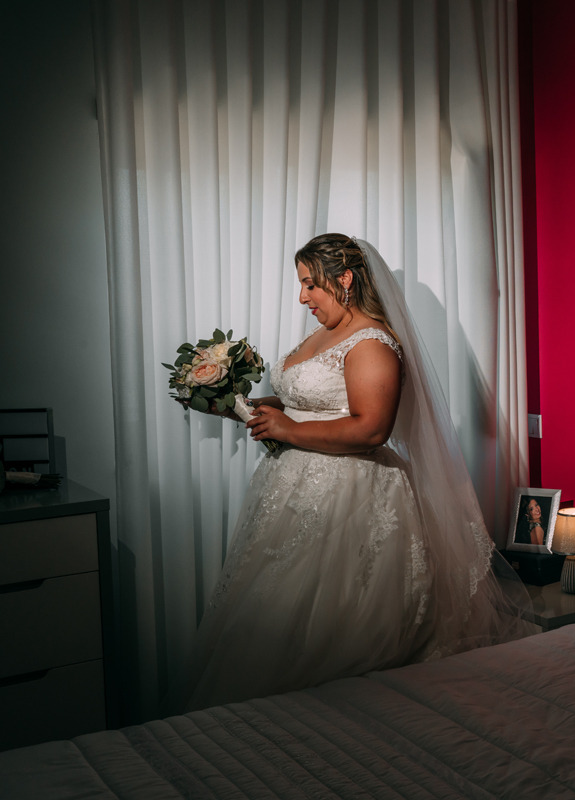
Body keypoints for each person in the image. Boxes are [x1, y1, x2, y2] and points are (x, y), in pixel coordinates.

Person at [179, 233, 533, 710]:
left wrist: (287, 429)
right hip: (291, 491)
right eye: (301, 285)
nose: (302, 297)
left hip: (349, 496)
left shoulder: (372, 342)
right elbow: (305, 402)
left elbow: (371, 429)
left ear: (344, 279)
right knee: (273, 614)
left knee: (334, 622)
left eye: (310, 284)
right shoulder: (323, 333)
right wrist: (236, 405)